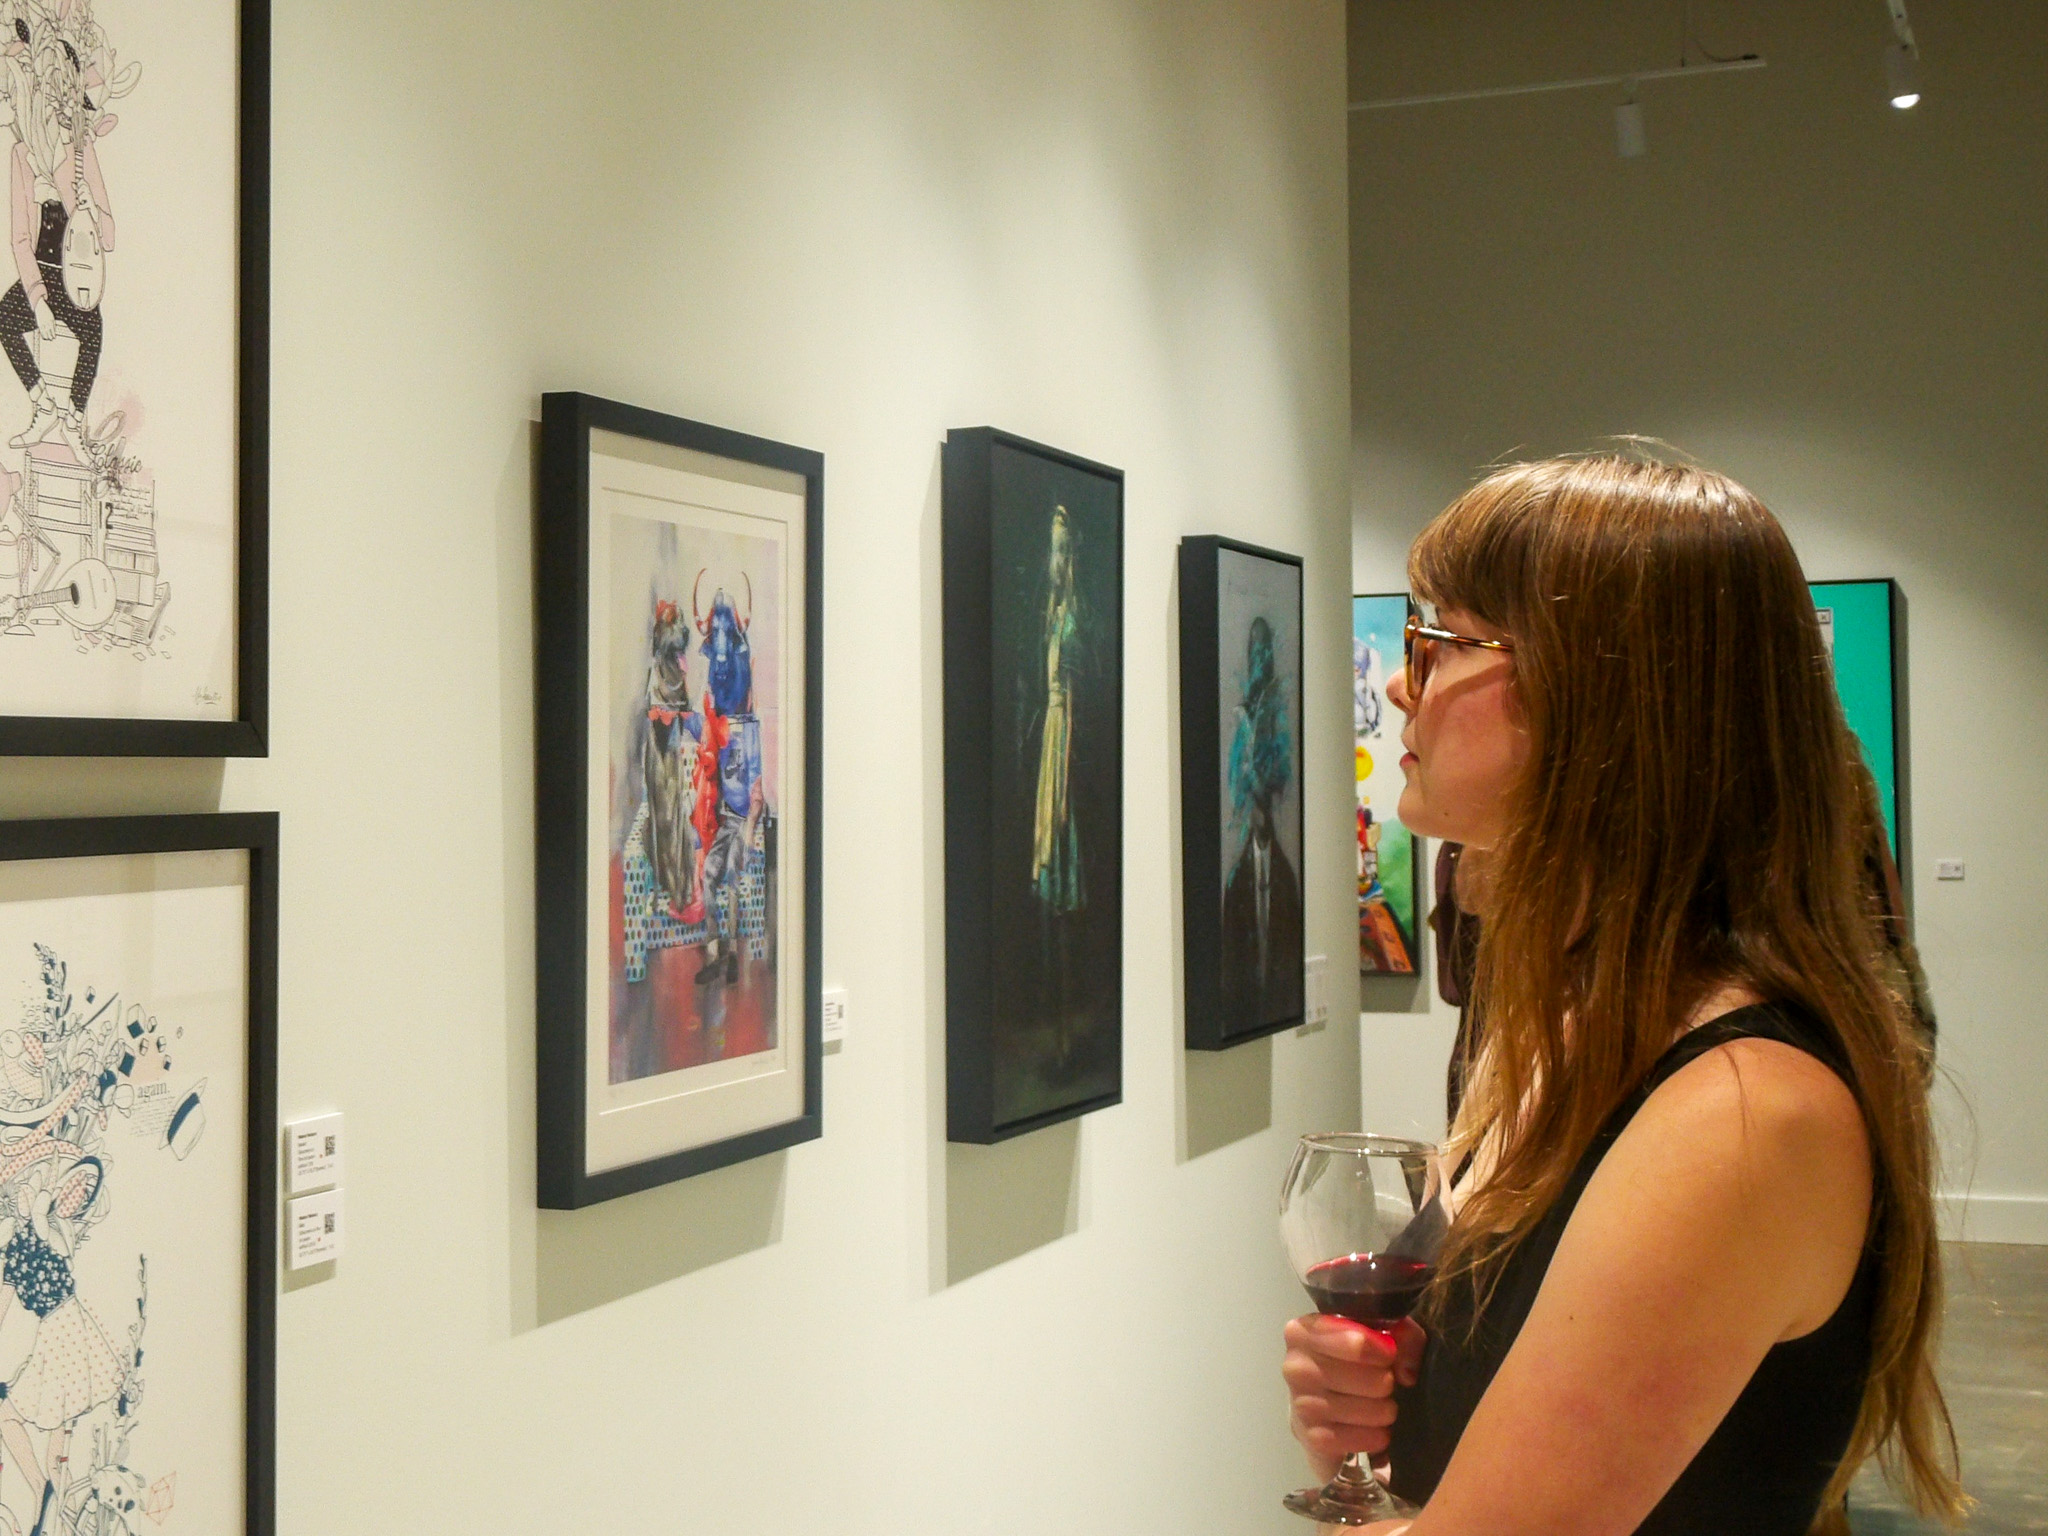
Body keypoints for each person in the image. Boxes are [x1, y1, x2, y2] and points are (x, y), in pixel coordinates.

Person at [1282, 455, 1965, 1536]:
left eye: (1443, 639)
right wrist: (1411, 1394)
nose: (1402, 683)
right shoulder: (1566, 1025)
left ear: (1598, 698)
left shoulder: (1739, 1111)